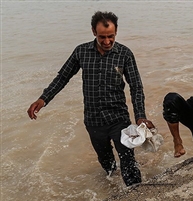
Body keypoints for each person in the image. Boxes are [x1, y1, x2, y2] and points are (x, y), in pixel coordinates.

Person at [27, 11, 154, 187]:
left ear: (116, 32)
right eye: (102, 37)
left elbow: (136, 86)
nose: (107, 41)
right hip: (94, 120)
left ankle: (136, 197)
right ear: (94, 32)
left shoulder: (124, 54)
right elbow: (63, 77)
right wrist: (43, 99)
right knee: (107, 164)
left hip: (119, 119)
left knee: (128, 162)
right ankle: (112, 190)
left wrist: (140, 115)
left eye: (111, 36)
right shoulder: (81, 52)